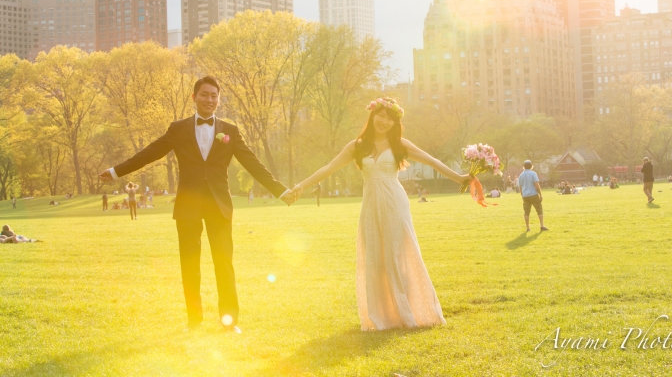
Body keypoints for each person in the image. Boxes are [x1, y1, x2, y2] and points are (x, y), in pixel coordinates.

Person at [99, 76, 300, 333]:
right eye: (204, 95)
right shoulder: (178, 129)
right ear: (194, 98)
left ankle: (229, 323)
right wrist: (116, 172)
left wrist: (280, 191)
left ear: (219, 99)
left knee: (224, 264)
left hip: (219, 206)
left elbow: (252, 163)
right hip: (188, 205)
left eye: (214, 95)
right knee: (190, 265)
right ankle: (193, 321)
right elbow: (149, 153)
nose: (209, 99)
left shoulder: (230, 130)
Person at [287, 97, 469, 331]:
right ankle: (384, 315)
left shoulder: (400, 145)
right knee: (374, 257)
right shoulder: (357, 146)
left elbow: (432, 161)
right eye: (380, 116)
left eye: (389, 118)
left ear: (395, 123)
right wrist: (300, 187)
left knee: (397, 255)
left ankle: (410, 311)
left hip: (394, 202)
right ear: (372, 115)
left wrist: (460, 178)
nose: (383, 121)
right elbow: (328, 167)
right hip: (371, 204)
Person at [519, 160, 548, 232]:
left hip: (525, 195)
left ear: (524, 166)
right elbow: (537, 185)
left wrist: (522, 195)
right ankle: (541, 226)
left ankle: (528, 228)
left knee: (526, 212)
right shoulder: (533, 173)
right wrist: (540, 194)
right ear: (531, 166)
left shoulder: (521, 175)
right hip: (533, 194)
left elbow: (520, 187)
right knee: (539, 210)